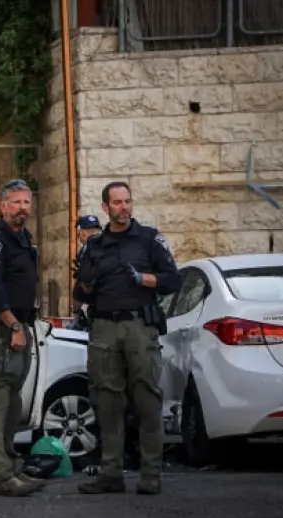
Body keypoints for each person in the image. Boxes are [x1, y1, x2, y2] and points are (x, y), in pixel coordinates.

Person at [73, 181, 181, 495]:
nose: (123, 207)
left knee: (147, 399)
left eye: (127, 201)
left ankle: (150, 474)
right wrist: (87, 284)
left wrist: (144, 279)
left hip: (139, 325)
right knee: (107, 401)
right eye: (117, 203)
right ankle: (111, 473)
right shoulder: (94, 245)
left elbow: (173, 280)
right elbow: (80, 293)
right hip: (105, 326)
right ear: (105, 208)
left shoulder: (148, 239)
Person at [0, 178, 44, 497]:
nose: (22, 208)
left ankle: (12, 467)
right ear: (2, 206)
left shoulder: (24, 238)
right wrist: (14, 326)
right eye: (15, 203)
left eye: (26, 203)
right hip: (4, 330)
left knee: (12, 403)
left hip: (20, 327)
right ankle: (0, 476)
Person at [68, 215, 103, 331]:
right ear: (81, 232)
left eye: (96, 230)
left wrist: (76, 314)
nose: (94, 233)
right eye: (90, 231)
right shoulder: (85, 251)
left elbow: (82, 285)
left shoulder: (88, 250)